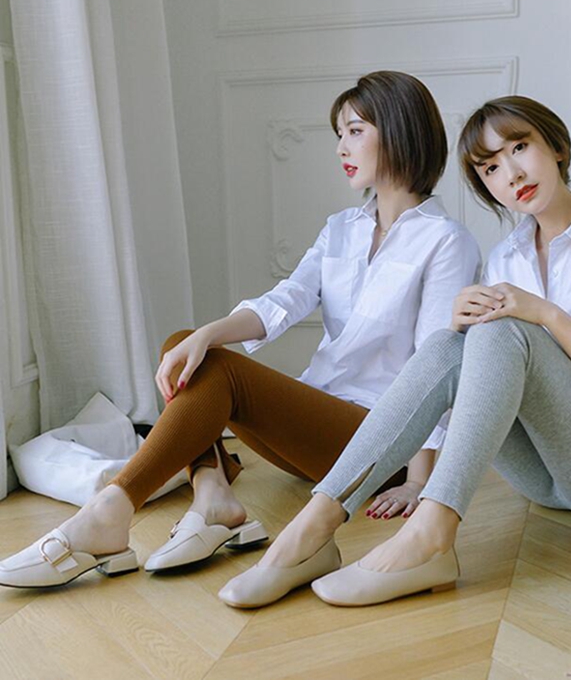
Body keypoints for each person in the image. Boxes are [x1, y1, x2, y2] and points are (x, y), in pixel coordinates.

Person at [0, 71, 480, 589]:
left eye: (356, 131)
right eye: (339, 133)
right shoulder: (342, 228)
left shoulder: (446, 241)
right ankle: (214, 495)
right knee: (184, 346)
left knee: (218, 370)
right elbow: (286, 300)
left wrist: (418, 480)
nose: (341, 146)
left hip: (383, 444)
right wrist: (207, 333)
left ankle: (109, 513)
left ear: (401, 130)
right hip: (314, 428)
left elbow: (438, 363)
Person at [219, 95, 571, 609]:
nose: (511, 173)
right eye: (490, 168)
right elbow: (483, 374)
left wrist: (546, 315)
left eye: (520, 148)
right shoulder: (507, 256)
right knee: (450, 341)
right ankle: (314, 526)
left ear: (557, 146)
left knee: (505, 331)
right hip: (545, 482)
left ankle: (431, 536)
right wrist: (463, 328)